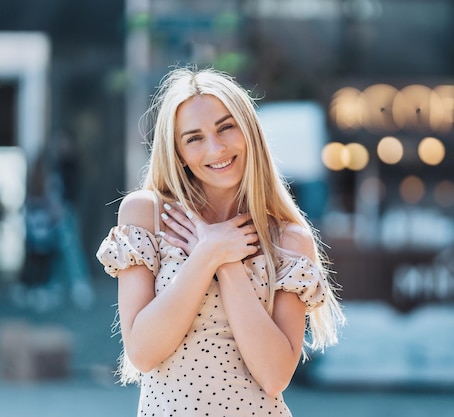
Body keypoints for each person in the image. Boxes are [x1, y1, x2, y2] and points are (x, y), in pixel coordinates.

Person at [96, 66, 345, 416]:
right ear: (178, 152)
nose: (215, 147)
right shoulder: (146, 215)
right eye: (194, 138)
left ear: (249, 131)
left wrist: (227, 262)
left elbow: (275, 377)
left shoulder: (289, 240)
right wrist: (207, 253)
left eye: (226, 127)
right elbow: (143, 351)